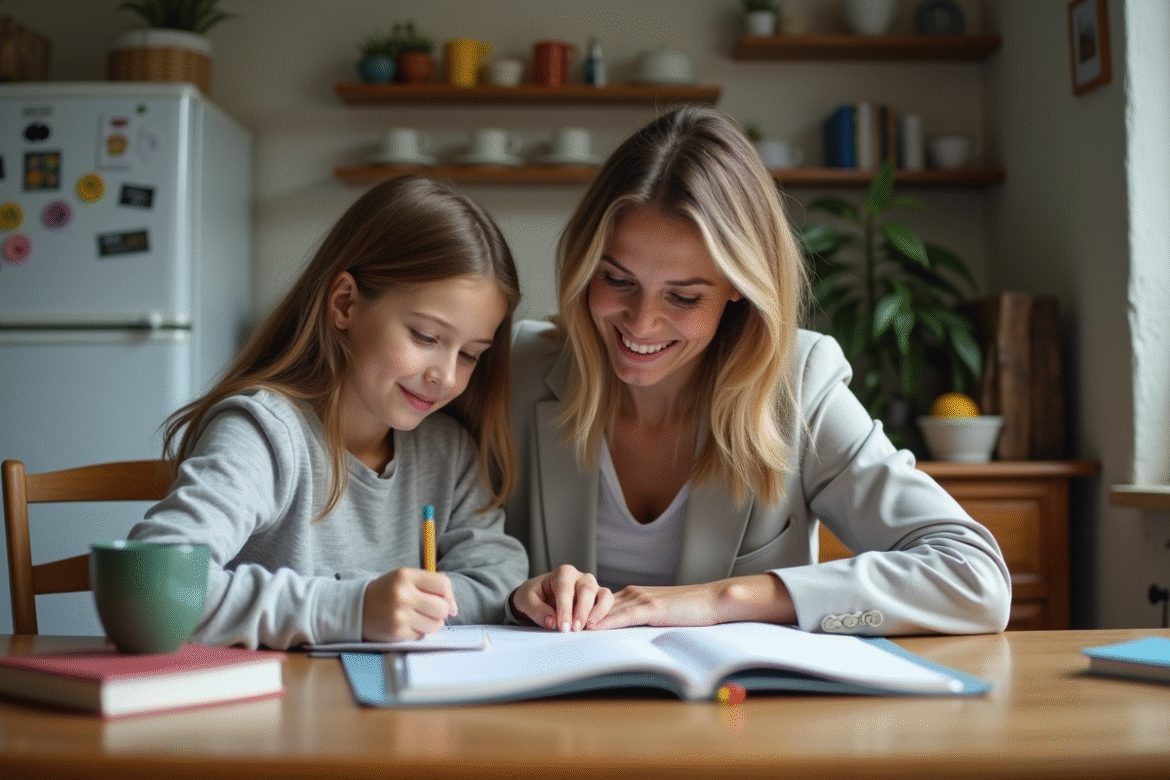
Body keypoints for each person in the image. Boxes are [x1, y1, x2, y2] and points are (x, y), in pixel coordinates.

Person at [505, 105, 1010, 636]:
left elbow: (975, 579)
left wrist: (724, 599)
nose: (642, 322)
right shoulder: (517, 368)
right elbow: (441, 563)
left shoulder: (800, 384)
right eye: (617, 280)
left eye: (683, 296)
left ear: (738, 288)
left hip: (736, 715)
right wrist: (516, 599)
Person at [131, 176, 529, 650]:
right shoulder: (264, 435)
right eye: (426, 336)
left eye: (470, 354)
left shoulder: (448, 451)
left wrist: (520, 597)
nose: (446, 376)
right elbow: (155, 585)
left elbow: (496, 585)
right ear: (344, 304)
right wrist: (352, 606)